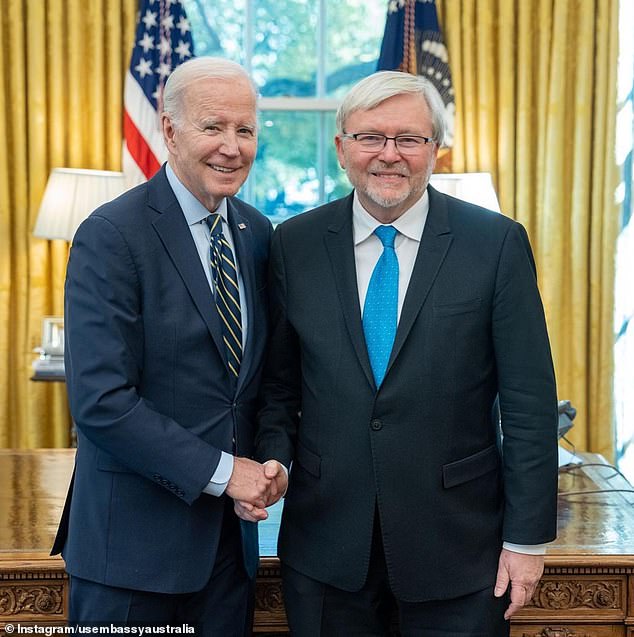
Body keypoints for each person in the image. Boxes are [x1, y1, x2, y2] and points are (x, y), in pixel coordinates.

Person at [239, 71, 559, 636]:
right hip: (326, 549)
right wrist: (274, 460)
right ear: (342, 148)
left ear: (436, 148)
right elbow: (281, 387)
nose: (390, 155)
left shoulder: (496, 244)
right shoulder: (293, 244)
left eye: (409, 139)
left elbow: (530, 405)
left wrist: (527, 539)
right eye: (370, 138)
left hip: (460, 552)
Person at [51, 57, 286, 635]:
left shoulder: (259, 235)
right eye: (214, 127)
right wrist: (227, 472)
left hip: (230, 557)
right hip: (130, 561)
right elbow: (102, 401)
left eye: (246, 130)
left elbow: (269, 383)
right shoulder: (111, 235)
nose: (232, 147)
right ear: (171, 129)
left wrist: (276, 460)